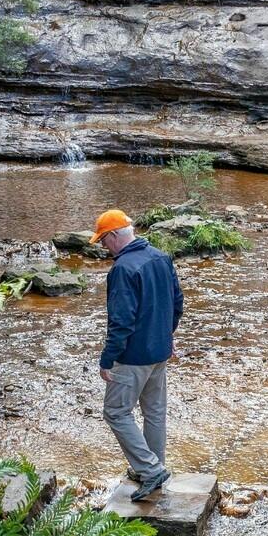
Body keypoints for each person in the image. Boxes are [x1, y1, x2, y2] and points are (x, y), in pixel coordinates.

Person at [93, 209, 183, 501]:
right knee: (154, 413)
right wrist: (167, 337)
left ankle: (150, 469)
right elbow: (177, 302)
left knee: (116, 412)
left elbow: (121, 322)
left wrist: (107, 359)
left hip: (133, 356)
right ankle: (153, 466)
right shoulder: (161, 257)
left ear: (114, 235)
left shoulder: (123, 269)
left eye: (104, 242)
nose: (104, 248)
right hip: (159, 351)